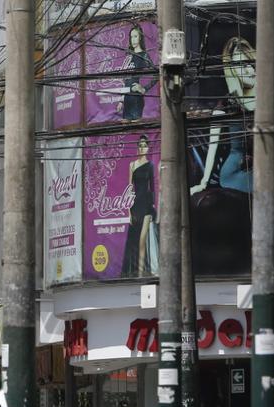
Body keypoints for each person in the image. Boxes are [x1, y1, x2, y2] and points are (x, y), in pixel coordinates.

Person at [189, 36, 274, 230]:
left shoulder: (266, 100)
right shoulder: (227, 105)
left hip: (267, 165)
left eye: (250, 63)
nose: (249, 70)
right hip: (237, 172)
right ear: (233, 70)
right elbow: (213, 145)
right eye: (241, 65)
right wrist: (203, 181)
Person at [121, 135, 156, 277]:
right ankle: (134, 273)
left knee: (142, 240)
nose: (143, 148)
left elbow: (152, 187)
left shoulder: (151, 165)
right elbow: (130, 187)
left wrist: (153, 207)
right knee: (134, 240)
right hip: (135, 205)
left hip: (147, 205)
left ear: (148, 148)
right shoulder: (132, 165)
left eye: (145, 145)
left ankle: (141, 273)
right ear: (138, 148)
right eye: (140, 145)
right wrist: (128, 211)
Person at [120, 25, 156, 121]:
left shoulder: (144, 55)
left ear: (140, 38)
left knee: (136, 128)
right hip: (127, 100)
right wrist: (121, 101)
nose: (133, 40)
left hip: (136, 100)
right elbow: (126, 80)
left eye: (135, 36)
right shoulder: (128, 55)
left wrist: (144, 88)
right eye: (131, 37)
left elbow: (156, 75)